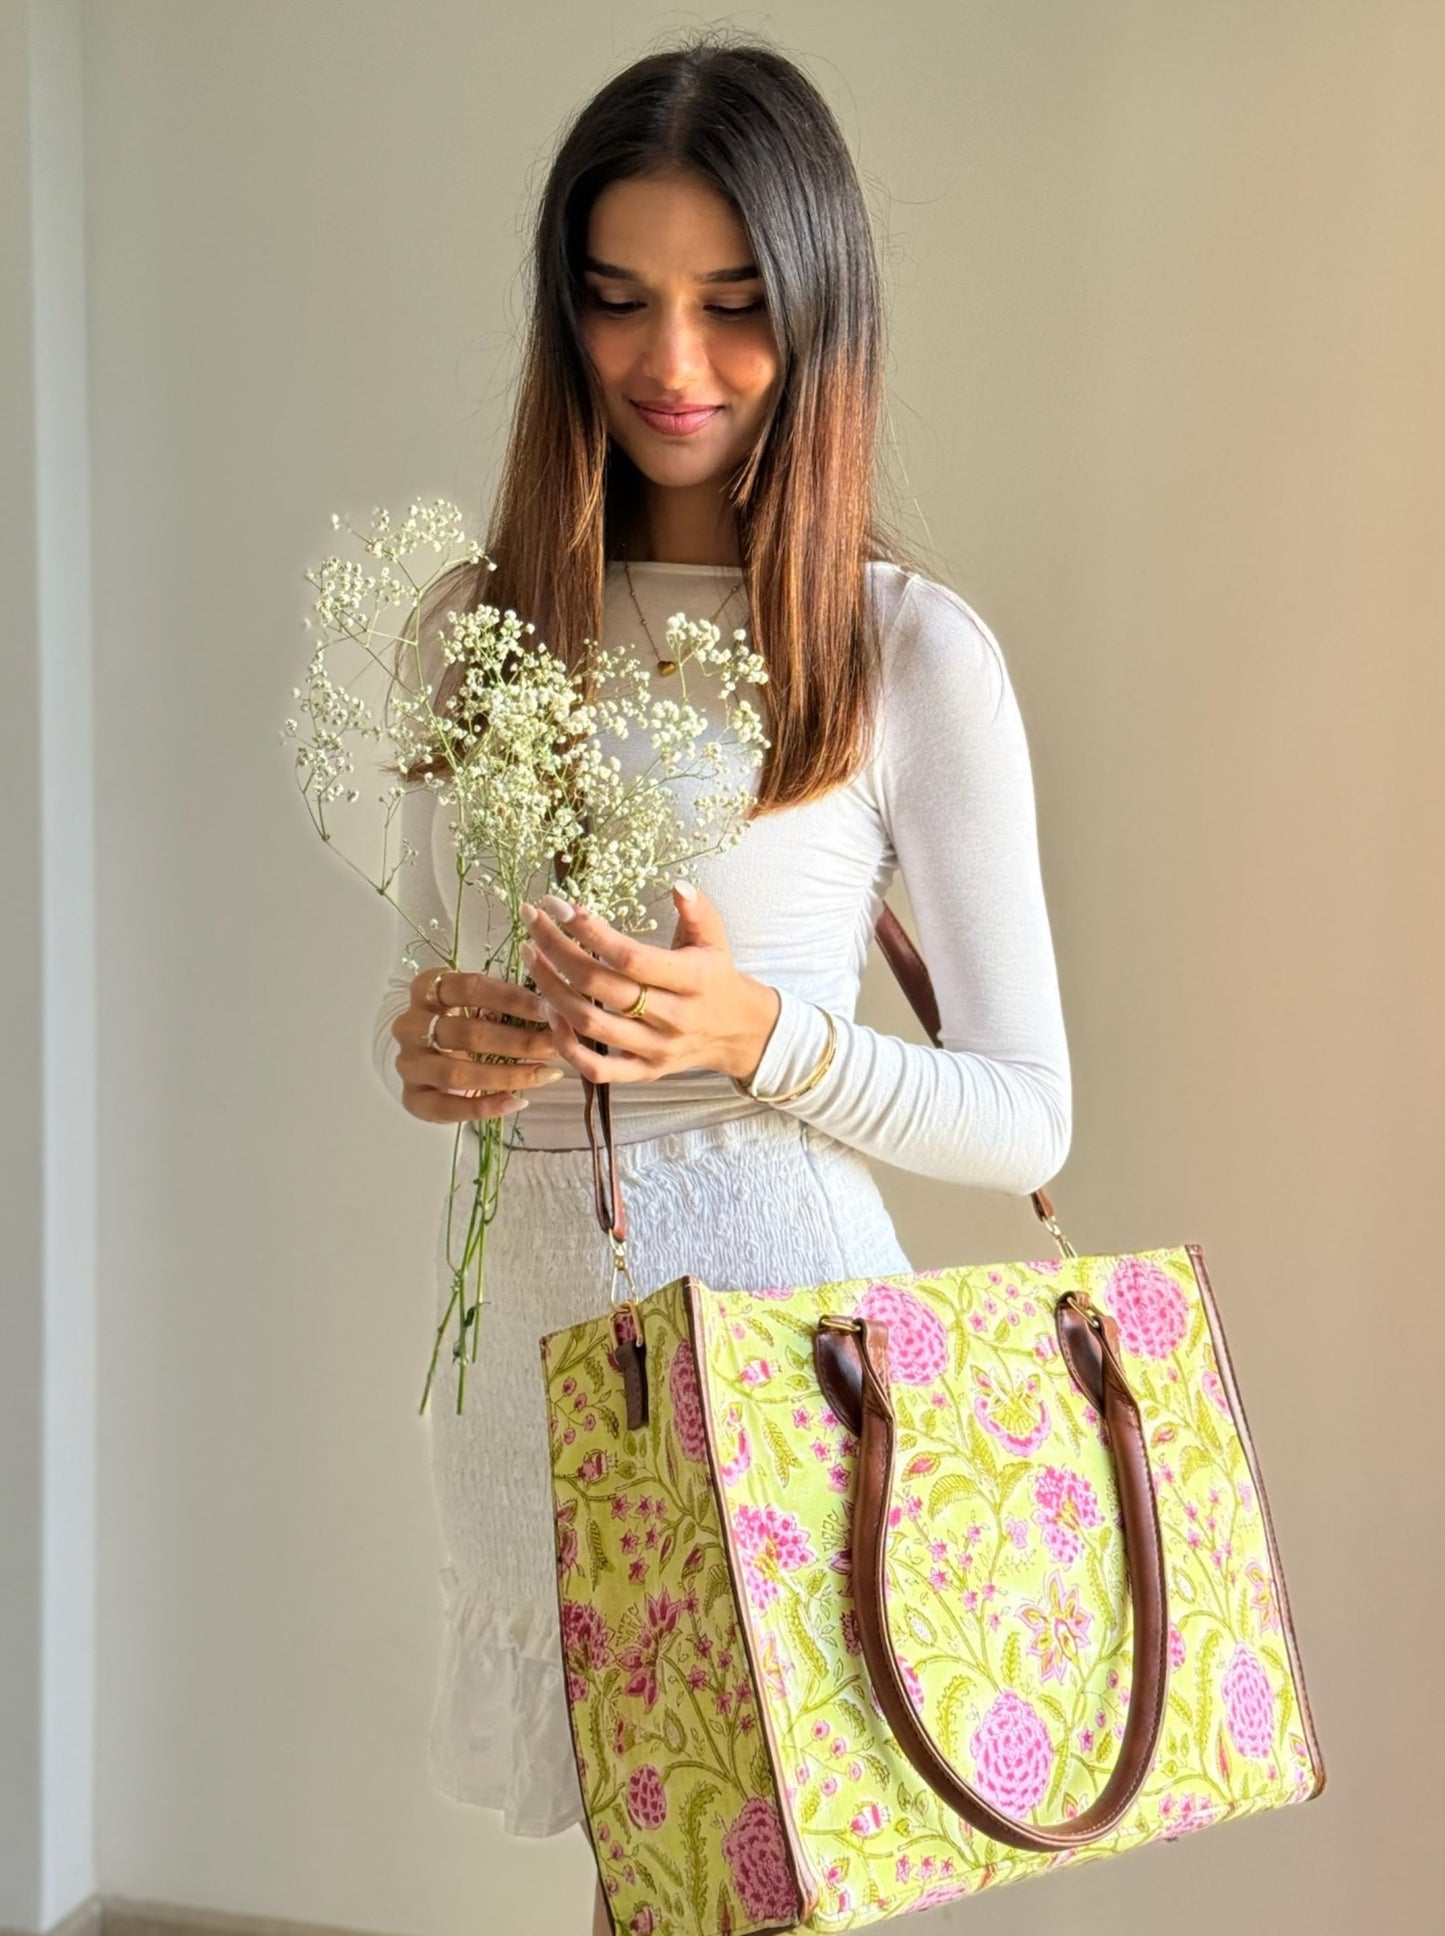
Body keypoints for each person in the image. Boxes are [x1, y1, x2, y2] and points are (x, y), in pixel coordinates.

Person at [369, 31, 1072, 1935]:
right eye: (616, 302)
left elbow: (1027, 1108)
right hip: (532, 1364)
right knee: (642, 1888)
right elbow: (414, 1002)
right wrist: (436, 1049)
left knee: (756, 1892)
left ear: (822, 309)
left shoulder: (899, 649)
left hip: (789, 1357)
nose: (670, 366)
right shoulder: (470, 633)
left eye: (734, 306)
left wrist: (763, 1036)